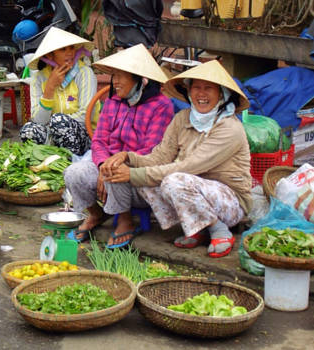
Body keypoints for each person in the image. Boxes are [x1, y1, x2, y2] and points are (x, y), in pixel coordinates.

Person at [100, 60, 252, 257]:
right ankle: (197, 228)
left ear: (222, 94)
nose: (201, 94)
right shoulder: (183, 118)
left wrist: (134, 173)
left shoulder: (229, 128)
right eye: (196, 88)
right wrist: (127, 157)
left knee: (171, 179)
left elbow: (190, 166)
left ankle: (219, 229)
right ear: (188, 92)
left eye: (208, 89)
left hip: (231, 201)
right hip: (190, 187)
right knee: (136, 173)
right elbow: (161, 157)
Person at [64, 44, 174, 247]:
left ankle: (125, 220)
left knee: (117, 171)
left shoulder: (161, 106)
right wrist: (101, 165)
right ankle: (96, 214)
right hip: (107, 168)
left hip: (139, 175)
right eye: (114, 76)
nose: (115, 82)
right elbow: (99, 140)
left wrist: (115, 163)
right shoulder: (113, 102)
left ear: (141, 80)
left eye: (121, 76)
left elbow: (152, 150)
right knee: (74, 172)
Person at [19, 27, 100, 156]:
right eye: (63, 49)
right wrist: (50, 88)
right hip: (53, 135)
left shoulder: (84, 73)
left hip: (84, 137)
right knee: (28, 131)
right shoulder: (38, 79)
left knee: (58, 121)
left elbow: (86, 116)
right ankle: (49, 161)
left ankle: (68, 162)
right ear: (50, 55)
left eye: (72, 48)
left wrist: (56, 125)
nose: (70, 53)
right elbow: (38, 120)